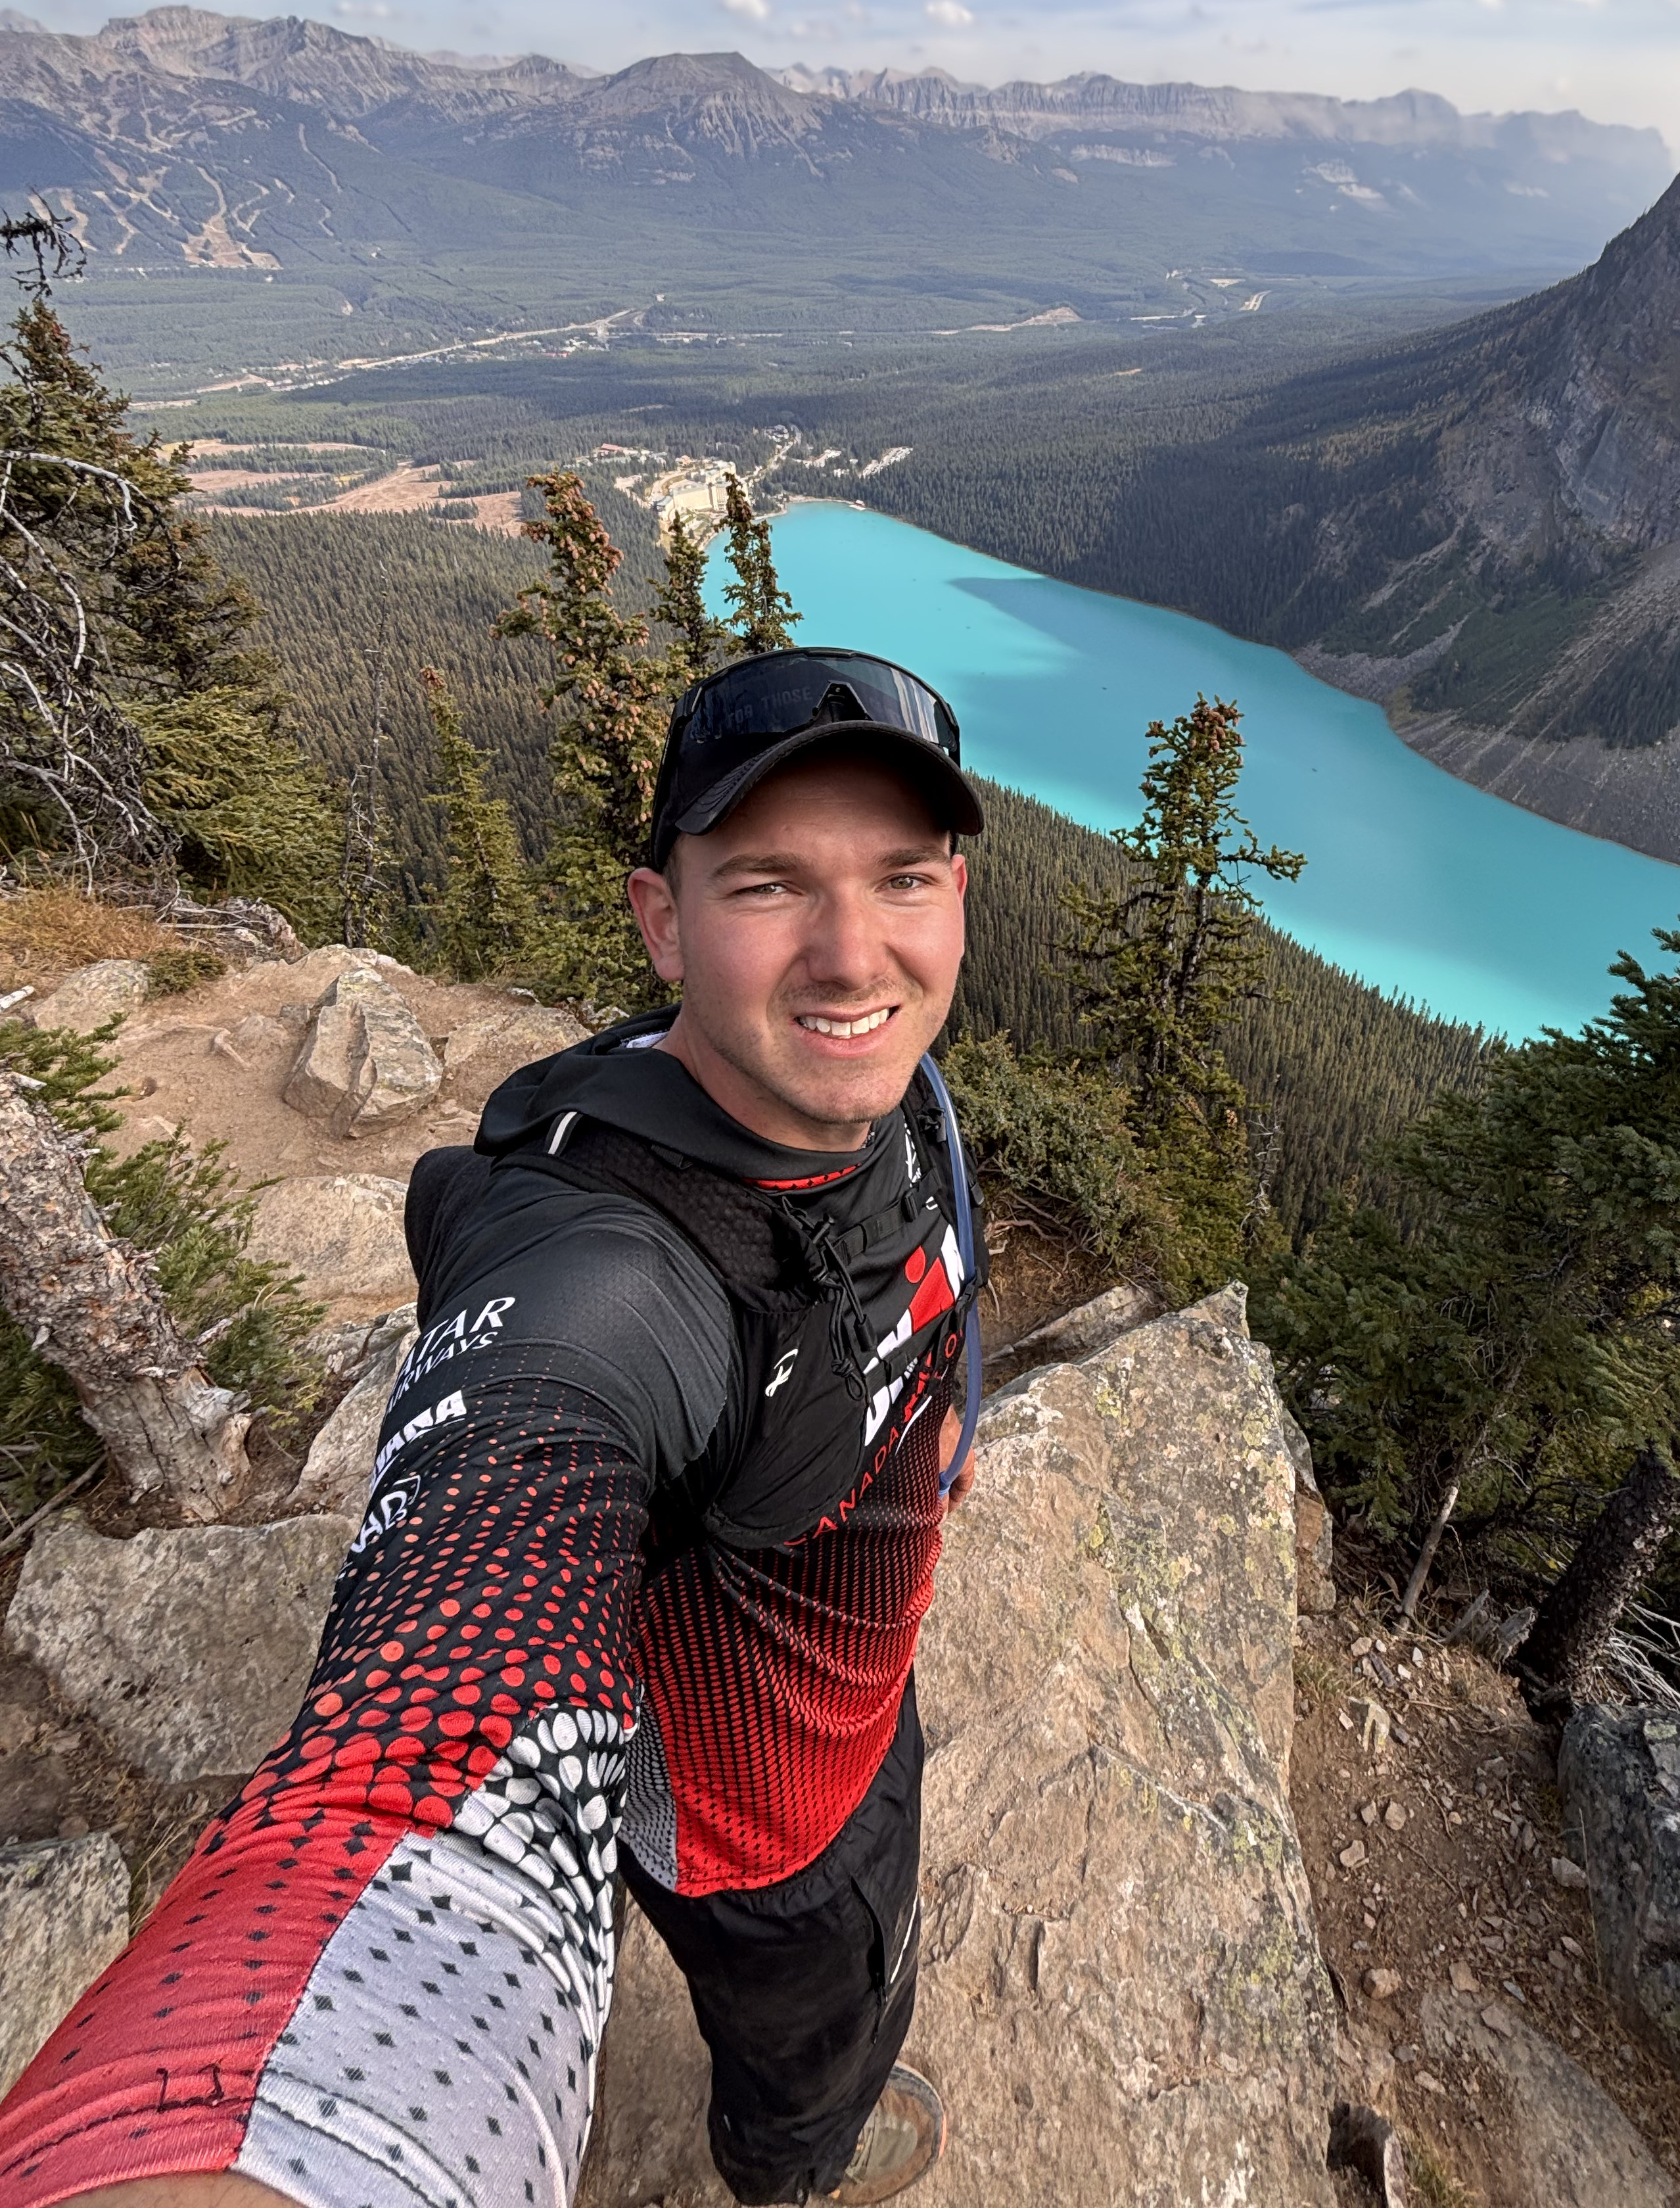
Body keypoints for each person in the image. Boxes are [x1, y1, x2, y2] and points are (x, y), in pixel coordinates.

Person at [0, 647, 989, 2208]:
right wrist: (314, 2137)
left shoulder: (863, 1096)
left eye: (905, 879)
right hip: (764, 1807)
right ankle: (797, 2164)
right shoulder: (605, 1272)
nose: (853, 956)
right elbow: (449, 1680)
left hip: (841, 1646)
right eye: (768, 887)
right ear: (660, 919)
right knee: (821, 2020)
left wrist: (920, 1452)